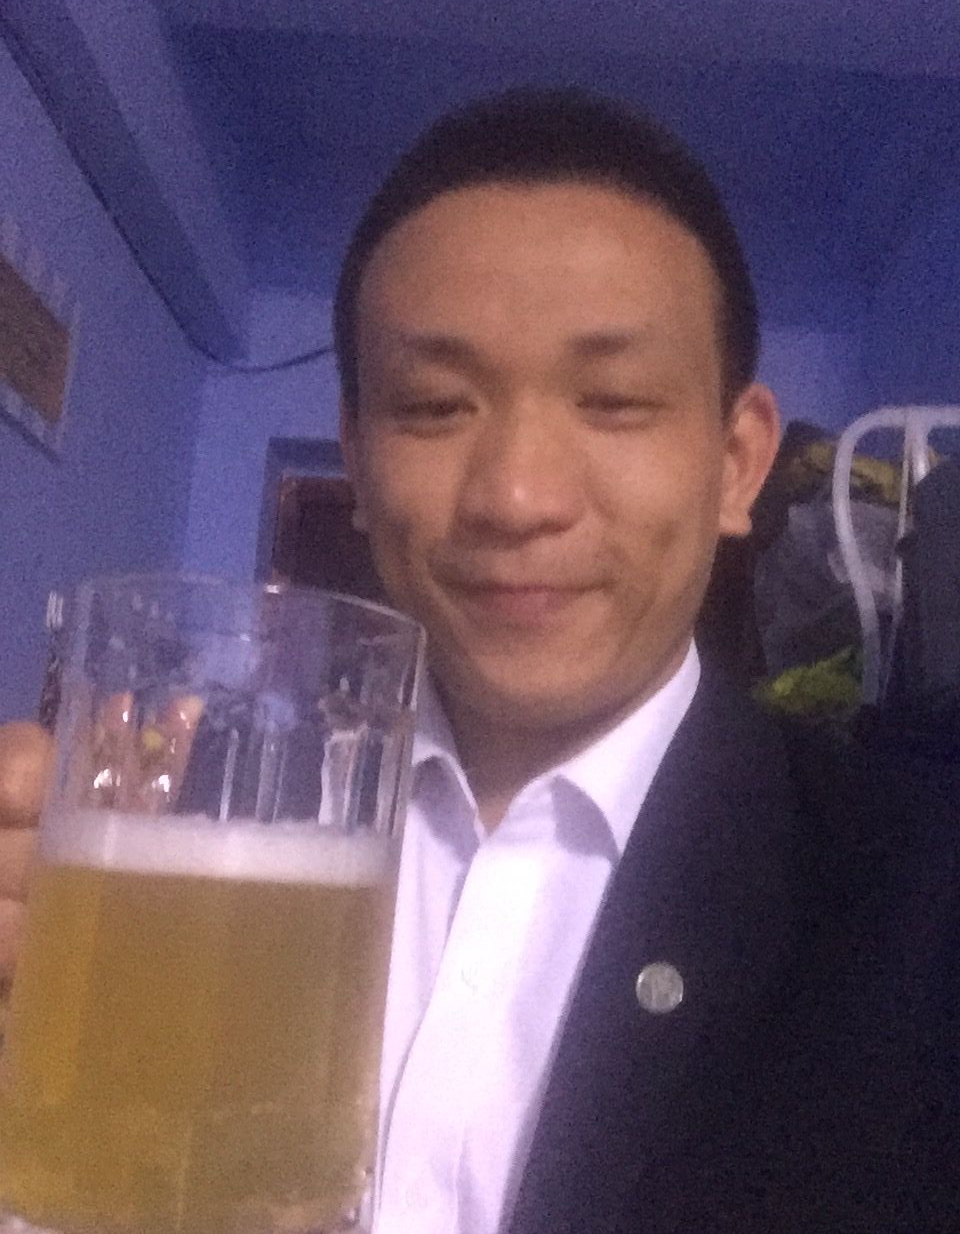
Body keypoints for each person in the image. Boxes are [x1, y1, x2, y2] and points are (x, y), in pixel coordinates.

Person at [0, 89, 958, 1233]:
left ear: (737, 461)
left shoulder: (913, 905)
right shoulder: (172, 835)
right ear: (357, 457)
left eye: (614, 402)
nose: (515, 495)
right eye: (433, 406)